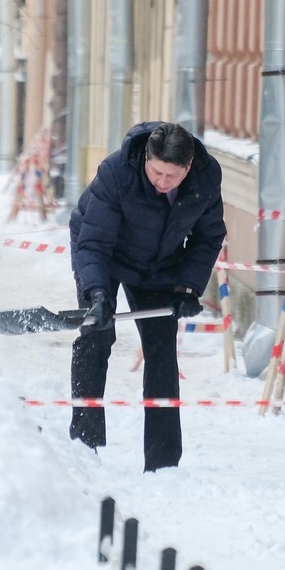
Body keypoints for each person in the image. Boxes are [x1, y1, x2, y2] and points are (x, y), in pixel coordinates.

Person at [68, 121, 226, 472]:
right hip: (105, 255)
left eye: (173, 176)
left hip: (158, 264)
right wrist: (97, 294)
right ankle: (84, 444)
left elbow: (208, 237)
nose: (163, 182)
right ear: (146, 160)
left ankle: (163, 462)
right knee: (96, 337)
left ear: (188, 167)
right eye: (156, 172)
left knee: (161, 350)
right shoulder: (116, 172)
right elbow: (93, 243)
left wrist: (188, 287)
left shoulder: (205, 178)